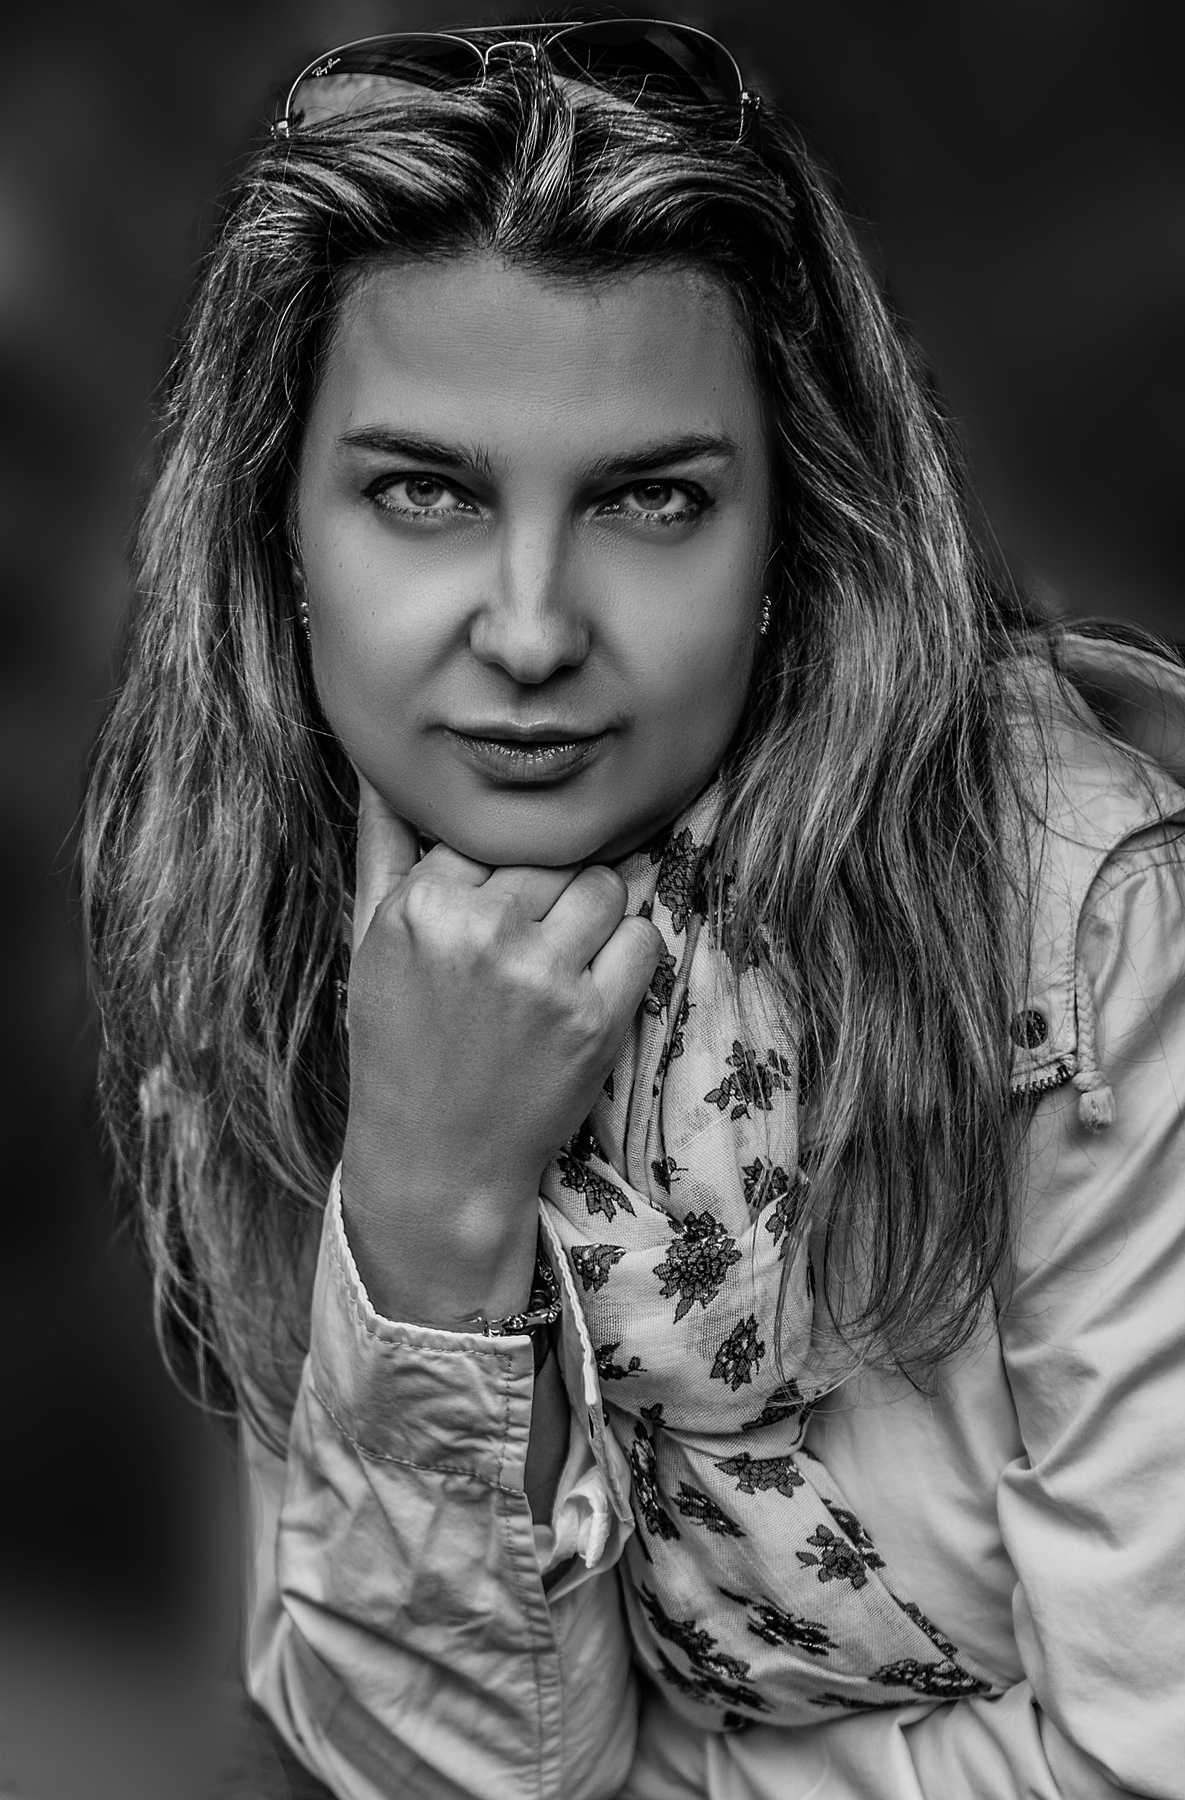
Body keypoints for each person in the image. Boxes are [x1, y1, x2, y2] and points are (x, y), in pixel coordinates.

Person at [81, 18, 1185, 1800]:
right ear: (280, 531)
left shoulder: (1074, 917)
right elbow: (419, 1760)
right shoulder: (272, 934)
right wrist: (428, 1211)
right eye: (423, 492)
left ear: (787, 540)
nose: (530, 631)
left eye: (649, 498)